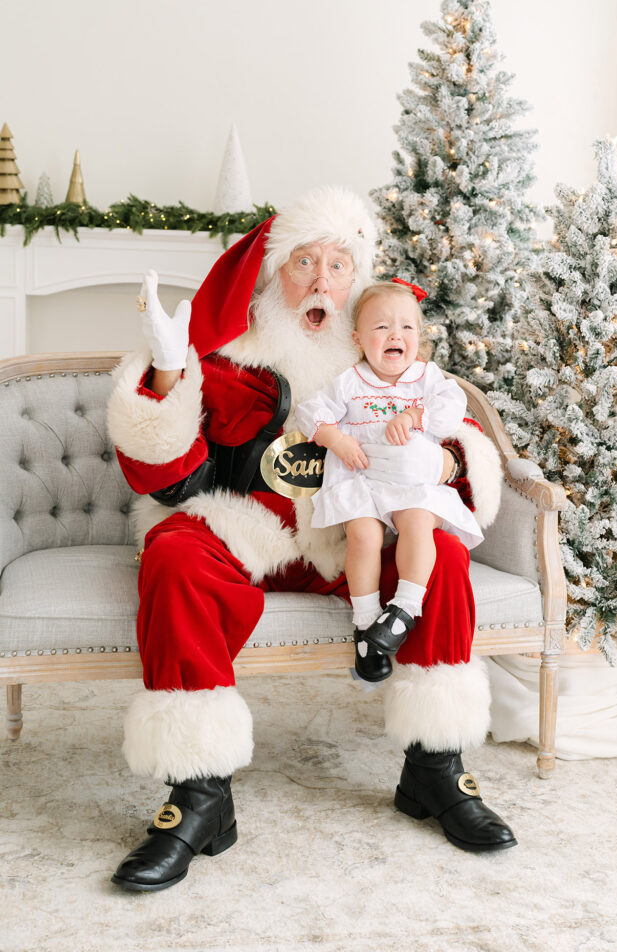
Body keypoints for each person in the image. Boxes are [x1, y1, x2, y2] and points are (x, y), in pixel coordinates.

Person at [106, 187, 516, 893]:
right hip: (249, 526)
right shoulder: (226, 358)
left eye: (338, 263)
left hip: (351, 530)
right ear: (273, 276)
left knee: (441, 552)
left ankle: (435, 768)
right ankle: (200, 795)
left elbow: (459, 439)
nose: (322, 279)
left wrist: (445, 461)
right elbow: (165, 480)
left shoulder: (387, 358)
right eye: (304, 261)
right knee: (174, 551)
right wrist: (170, 372)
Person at [296, 280, 484, 684]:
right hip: (363, 477)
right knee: (362, 534)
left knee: (417, 522)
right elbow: (311, 412)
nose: (395, 335)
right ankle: (366, 626)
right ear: (358, 339)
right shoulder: (350, 380)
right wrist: (337, 439)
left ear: (419, 337)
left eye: (406, 328)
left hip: (412, 482)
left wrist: (415, 417)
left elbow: (452, 410)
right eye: (381, 328)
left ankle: (404, 610)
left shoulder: (426, 377)